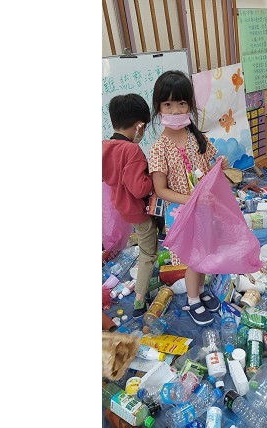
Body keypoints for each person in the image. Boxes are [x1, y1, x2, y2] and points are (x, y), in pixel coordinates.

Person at [148, 70, 229, 326]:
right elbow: (161, 190)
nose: (175, 110)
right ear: (158, 108)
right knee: (194, 258)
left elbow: (209, 168)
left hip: (205, 210)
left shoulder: (196, 137)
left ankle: (201, 290)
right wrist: (191, 200)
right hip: (181, 213)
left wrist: (219, 164)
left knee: (204, 254)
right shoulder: (159, 148)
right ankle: (193, 300)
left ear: (190, 105)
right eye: (168, 104)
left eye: (181, 103)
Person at [102, 94, 157, 318]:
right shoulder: (132, 150)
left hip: (120, 207)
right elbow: (139, 189)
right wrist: (153, 177)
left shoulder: (104, 146)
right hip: (138, 210)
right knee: (148, 253)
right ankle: (140, 302)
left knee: (141, 244)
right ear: (139, 126)